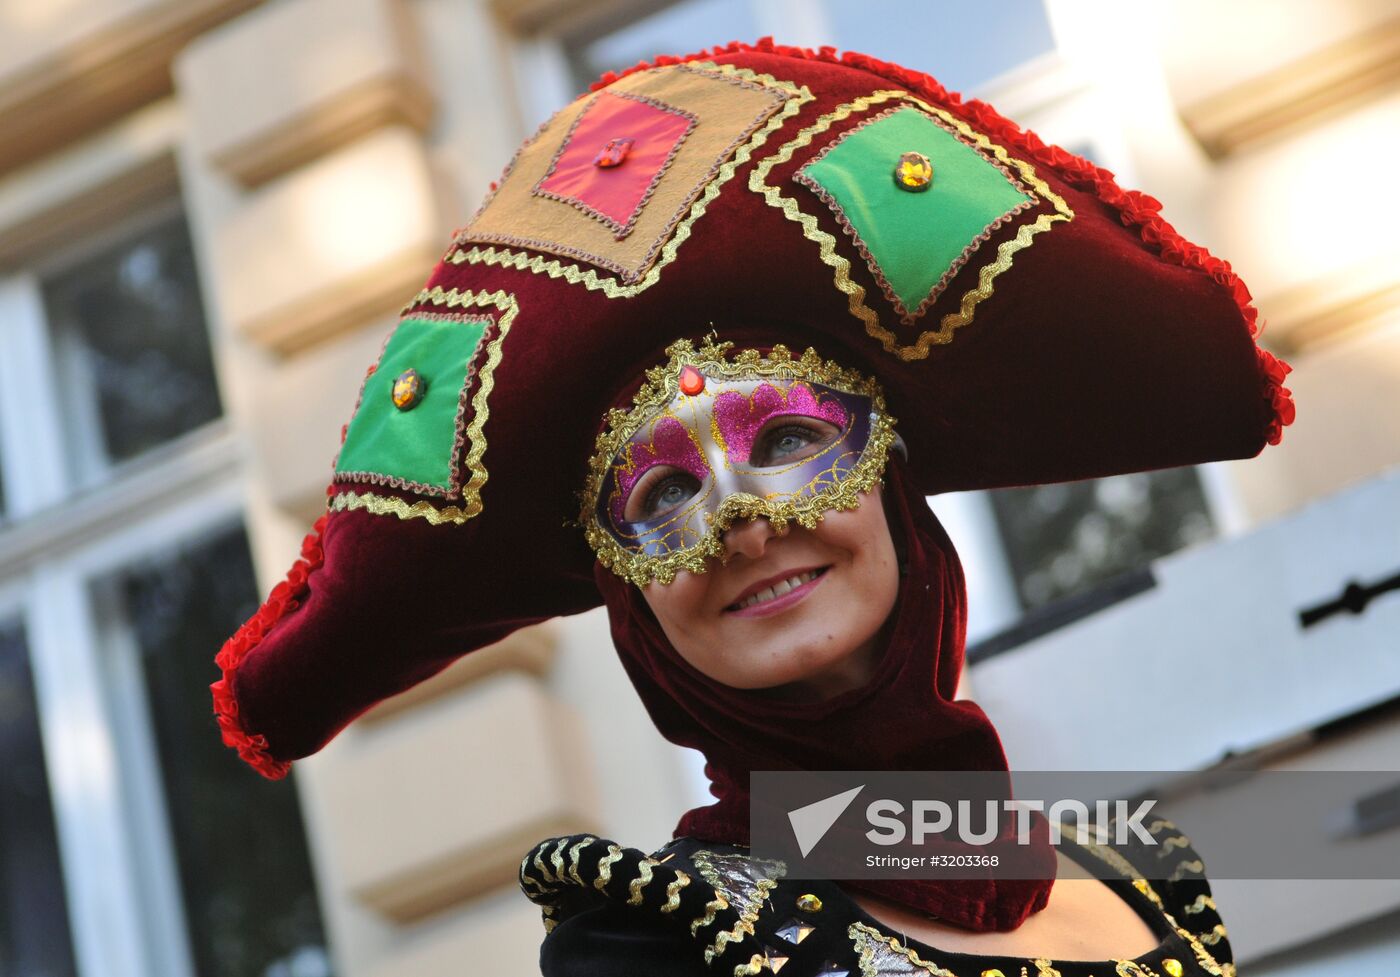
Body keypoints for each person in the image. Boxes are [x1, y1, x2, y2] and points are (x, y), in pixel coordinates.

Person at [210, 39, 1293, 977]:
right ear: (620, 586)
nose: (743, 521)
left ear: (893, 483)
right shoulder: (653, 942)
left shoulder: (1138, 877)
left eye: (785, 442)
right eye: (663, 493)